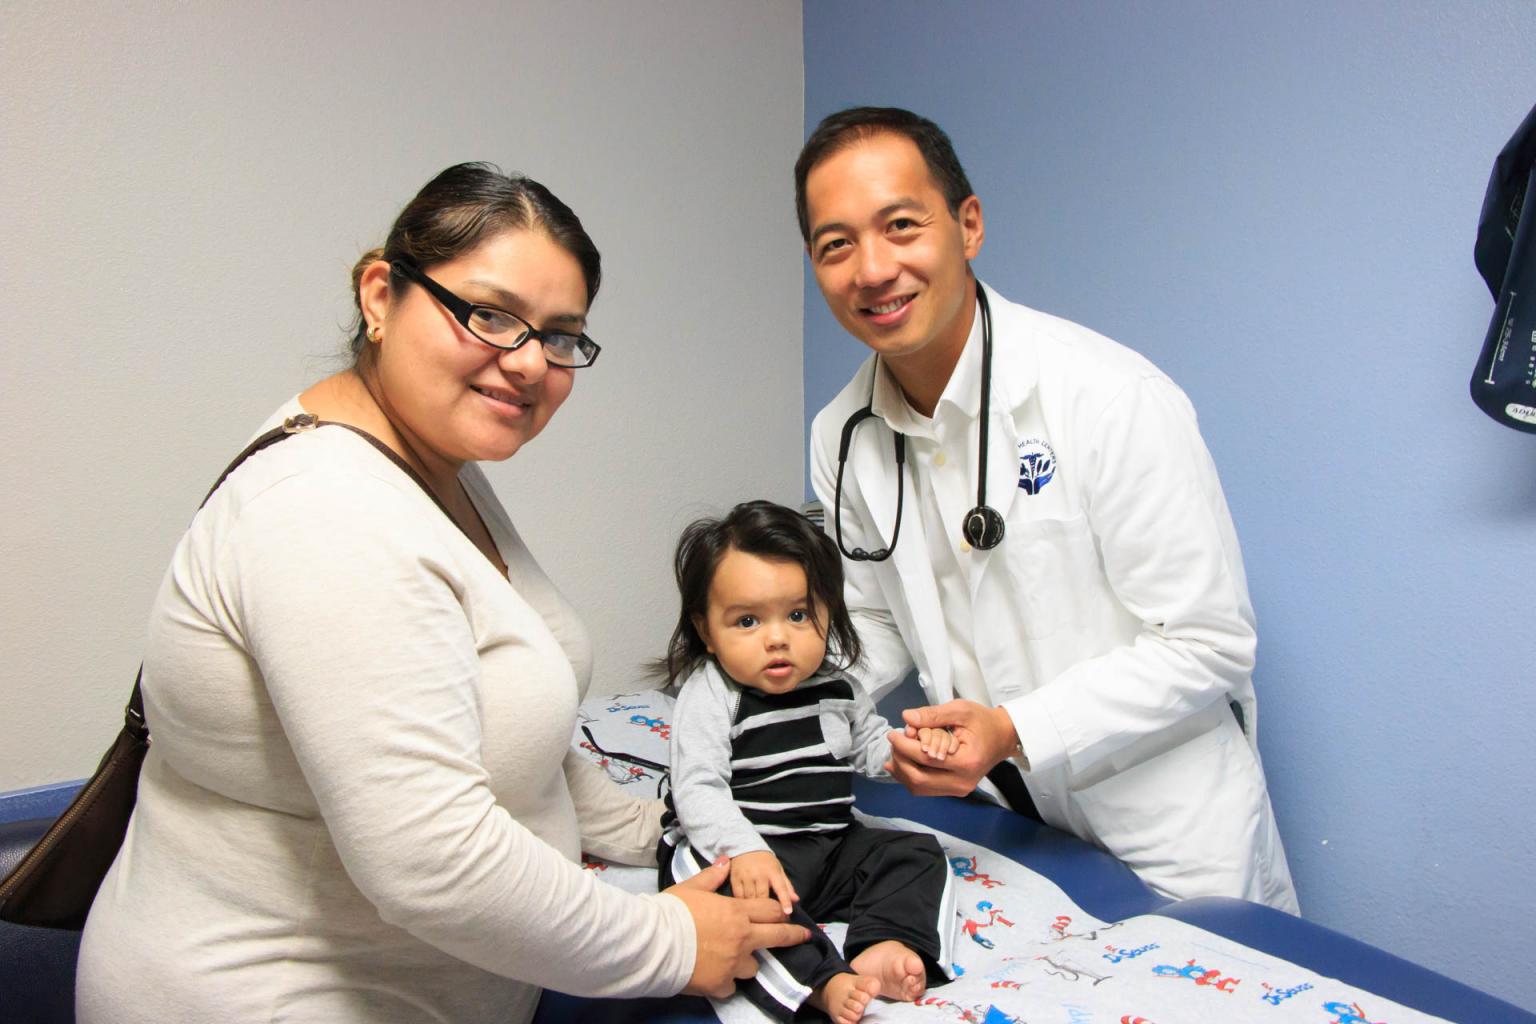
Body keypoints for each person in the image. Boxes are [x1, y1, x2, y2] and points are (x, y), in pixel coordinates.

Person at [75, 163, 808, 1024]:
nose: (529, 362)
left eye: (561, 336)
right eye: (489, 315)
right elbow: (432, 859)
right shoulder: (326, 510)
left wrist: (662, 830)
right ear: (381, 295)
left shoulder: (427, 463)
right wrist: (675, 942)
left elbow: (506, 726)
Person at [798, 108, 1299, 911]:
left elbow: (1210, 644)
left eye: (900, 224)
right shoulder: (841, 434)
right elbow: (875, 618)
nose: (872, 268)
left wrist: (1014, 728)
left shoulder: (1108, 397)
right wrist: (789, 695)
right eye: (836, 244)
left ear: (968, 226)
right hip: (1008, 832)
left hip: (1172, 835)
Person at [656, 501, 958, 1024]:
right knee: (727, 906)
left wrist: (912, 749)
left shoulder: (838, 687)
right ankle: (819, 980)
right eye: (747, 621)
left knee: (914, 853)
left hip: (828, 843)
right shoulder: (711, 693)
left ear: (827, 613)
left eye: (798, 615)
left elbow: (868, 746)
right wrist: (743, 850)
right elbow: (697, 789)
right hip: (746, 848)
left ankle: (881, 944)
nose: (777, 638)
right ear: (706, 631)